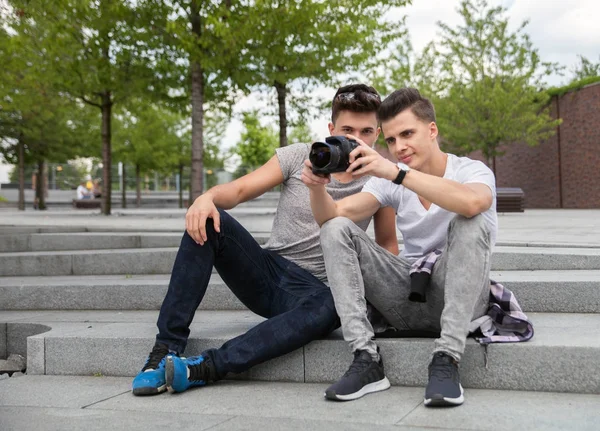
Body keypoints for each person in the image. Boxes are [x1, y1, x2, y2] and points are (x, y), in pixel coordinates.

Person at [132, 84, 399, 396]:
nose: (356, 139)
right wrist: (206, 197)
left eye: (366, 131)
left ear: (377, 134)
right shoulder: (300, 156)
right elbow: (240, 190)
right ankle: (164, 349)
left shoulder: (380, 181)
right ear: (331, 128)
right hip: (267, 273)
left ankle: (205, 367)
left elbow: (386, 248)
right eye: (347, 129)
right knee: (207, 216)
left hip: (315, 295)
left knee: (333, 303)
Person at [301, 88, 498, 406]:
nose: (399, 147)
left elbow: (473, 201)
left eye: (407, 134)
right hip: (409, 298)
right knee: (336, 229)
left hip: (462, 299)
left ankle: (447, 357)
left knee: (470, 220)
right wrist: (315, 188)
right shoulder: (389, 180)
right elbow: (333, 216)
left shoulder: (470, 170)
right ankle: (365, 359)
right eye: (391, 140)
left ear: (432, 130)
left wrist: (397, 173)